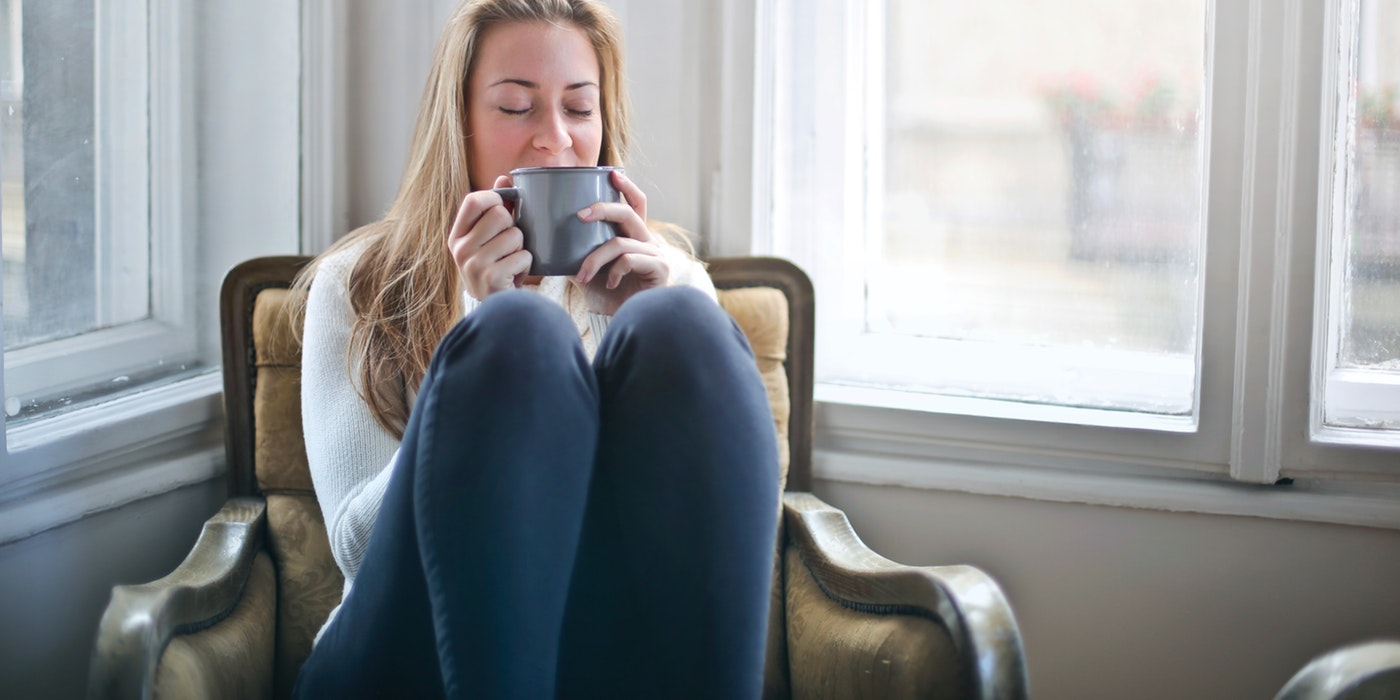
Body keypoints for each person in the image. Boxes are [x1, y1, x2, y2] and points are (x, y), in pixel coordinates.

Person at [289, 0, 780, 697]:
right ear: (456, 122)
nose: (555, 140)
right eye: (517, 108)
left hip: (601, 649)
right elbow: (359, 551)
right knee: (520, 336)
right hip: (402, 648)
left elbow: (725, 521)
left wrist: (642, 317)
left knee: (683, 325)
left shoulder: (667, 280)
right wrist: (476, 323)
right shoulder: (358, 283)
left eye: (580, 109)